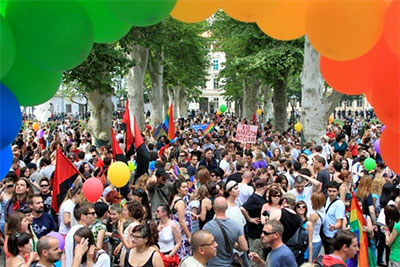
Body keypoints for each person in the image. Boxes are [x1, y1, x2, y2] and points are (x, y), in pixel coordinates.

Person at [203, 197, 248, 267]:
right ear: (226, 207)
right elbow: (244, 247)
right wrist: (234, 245)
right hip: (229, 263)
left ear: (214, 208)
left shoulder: (207, 227)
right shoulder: (235, 226)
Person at [240, 178, 267, 254]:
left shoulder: (261, 197)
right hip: (254, 232)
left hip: (259, 231)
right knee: (255, 253)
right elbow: (242, 208)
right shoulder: (254, 198)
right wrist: (250, 219)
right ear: (264, 187)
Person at [64, 202, 97, 267]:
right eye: (92, 213)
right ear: (83, 216)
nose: (95, 216)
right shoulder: (82, 233)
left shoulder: (72, 230)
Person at [169, 179, 192, 257]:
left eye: (187, 187)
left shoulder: (174, 198)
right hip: (182, 234)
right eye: (183, 187)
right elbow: (182, 221)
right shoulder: (180, 202)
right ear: (178, 189)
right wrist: (189, 236)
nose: (186, 189)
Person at [322, 181, 346, 255]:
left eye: (334, 191)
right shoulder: (327, 199)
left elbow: (339, 222)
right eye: (330, 191)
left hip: (333, 236)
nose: (332, 193)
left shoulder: (339, 204)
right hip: (325, 234)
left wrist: (334, 227)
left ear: (337, 192)